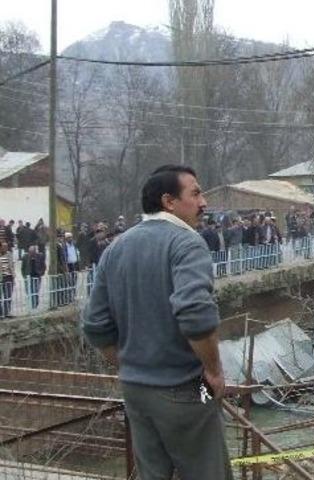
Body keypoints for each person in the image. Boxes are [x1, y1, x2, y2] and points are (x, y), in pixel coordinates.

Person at [82, 164, 232, 479]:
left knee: (152, 474)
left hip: (136, 390)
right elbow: (195, 315)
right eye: (195, 193)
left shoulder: (116, 247)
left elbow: (95, 325)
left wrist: (129, 366)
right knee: (209, 471)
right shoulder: (187, 243)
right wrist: (214, 372)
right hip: (186, 388)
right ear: (169, 201)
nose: (203, 202)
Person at [0, 241, 13, 318]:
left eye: (6, 247)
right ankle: (1, 313)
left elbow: (12, 265)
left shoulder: (9, 254)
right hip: (1, 278)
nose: (5, 248)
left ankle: (7, 312)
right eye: (3, 247)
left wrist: (13, 275)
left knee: (8, 296)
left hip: (9, 277)